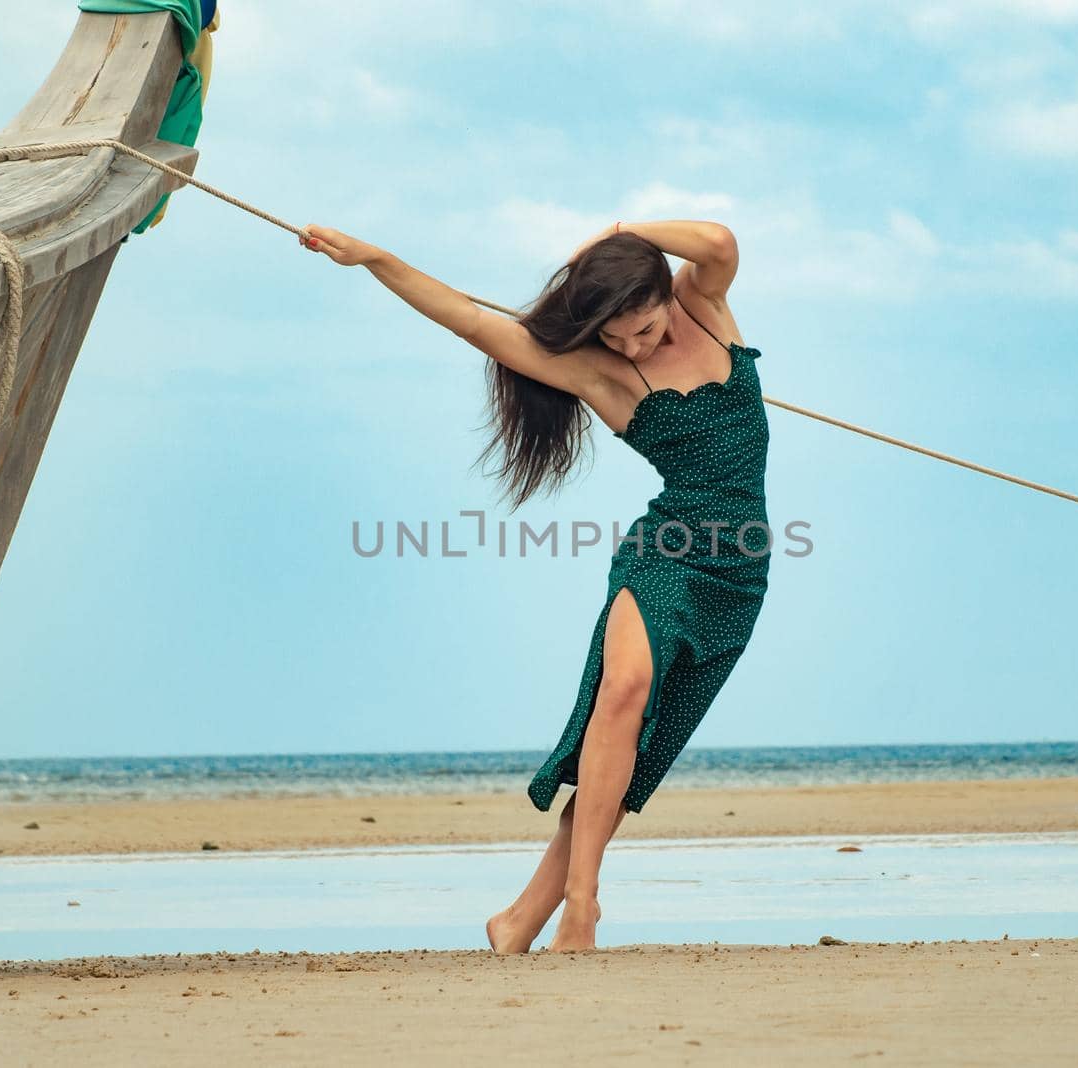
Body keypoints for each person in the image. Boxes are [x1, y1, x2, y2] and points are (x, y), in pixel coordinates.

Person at [300, 219, 771, 953]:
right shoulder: (595, 370)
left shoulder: (702, 304)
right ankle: (582, 909)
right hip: (666, 550)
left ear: (659, 293)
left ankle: (518, 922)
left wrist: (620, 233)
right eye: (615, 339)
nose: (632, 348)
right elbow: (471, 321)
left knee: (632, 753)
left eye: (641, 329)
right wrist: (376, 259)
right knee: (623, 691)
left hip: (741, 572)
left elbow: (717, 243)